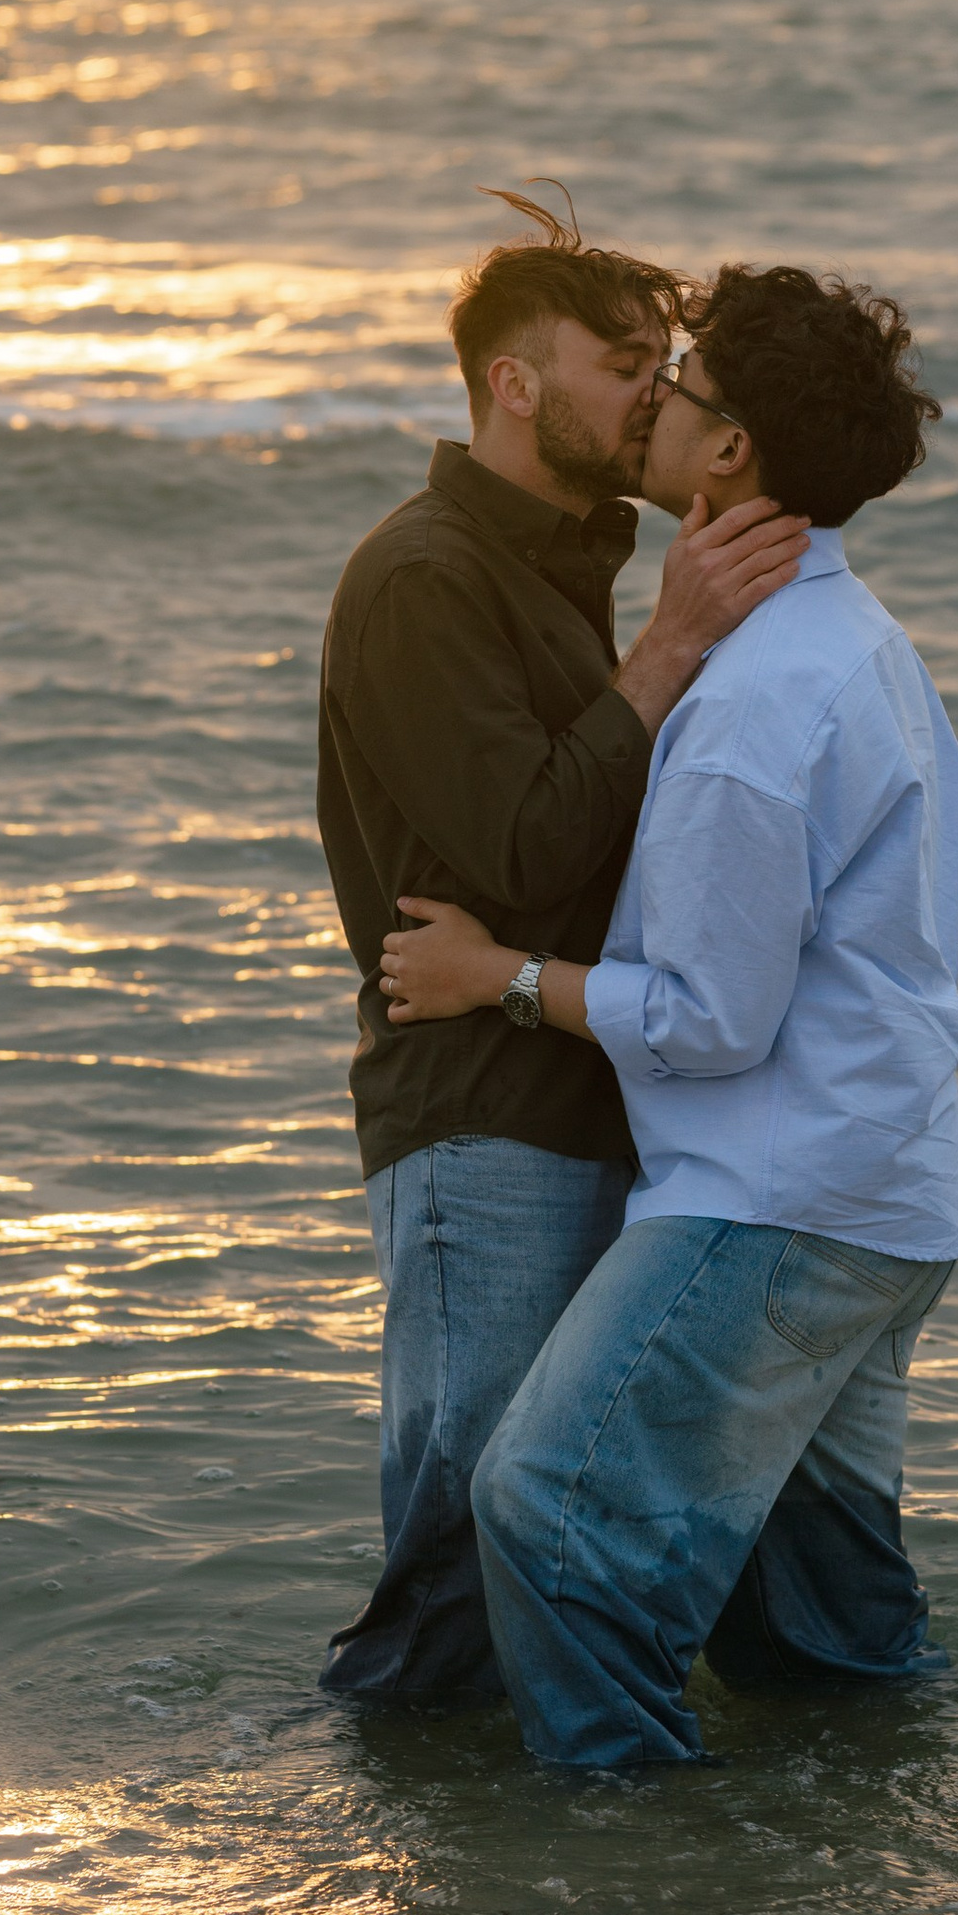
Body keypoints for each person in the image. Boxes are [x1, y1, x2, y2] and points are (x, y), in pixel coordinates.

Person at [379, 262, 958, 1770]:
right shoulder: (864, 650)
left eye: (683, 389)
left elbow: (713, 1023)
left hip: (775, 1201)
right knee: (820, 1623)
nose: (654, 402)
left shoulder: (750, 707)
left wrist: (501, 980)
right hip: (892, 1191)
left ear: (729, 456)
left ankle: (638, 1877)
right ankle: (870, 1862)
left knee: (543, 1506)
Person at [315, 196, 810, 1705]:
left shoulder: (557, 564)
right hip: (478, 1120)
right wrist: (666, 655)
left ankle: (520, 1875)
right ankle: (386, 1844)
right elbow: (516, 855)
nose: (654, 395)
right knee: (468, 1537)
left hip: (586, 1101)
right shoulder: (425, 576)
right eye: (622, 365)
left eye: (663, 366)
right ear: (512, 385)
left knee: (561, 1523)